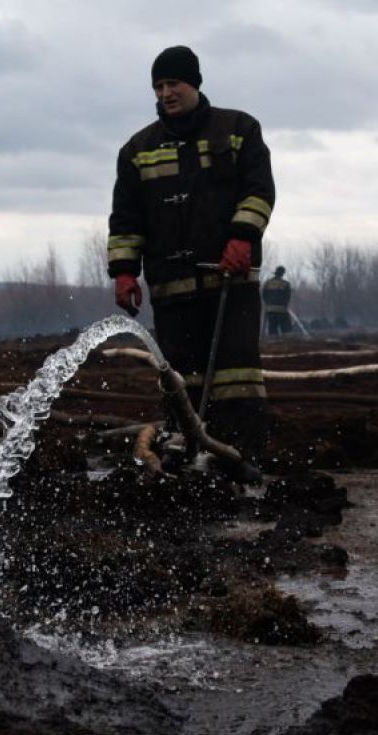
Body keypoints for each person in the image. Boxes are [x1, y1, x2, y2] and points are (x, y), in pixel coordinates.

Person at [108, 45, 275, 464]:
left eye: (173, 84)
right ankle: (185, 456)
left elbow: (259, 191)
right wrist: (124, 272)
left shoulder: (239, 130)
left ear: (195, 84)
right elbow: (126, 219)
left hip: (229, 282)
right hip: (170, 286)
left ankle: (242, 458)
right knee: (182, 381)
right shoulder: (137, 150)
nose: (166, 93)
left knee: (238, 377)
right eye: (159, 86)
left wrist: (242, 238)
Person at [262, 266, 293, 336]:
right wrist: (284, 305)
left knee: (272, 330)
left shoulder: (267, 283)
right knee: (286, 330)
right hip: (282, 311)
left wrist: (268, 304)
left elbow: (264, 296)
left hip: (270, 310)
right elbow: (287, 297)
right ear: (282, 274)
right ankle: (286, 344)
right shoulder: (286, 284)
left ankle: (273, 344)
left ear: (275, 273)